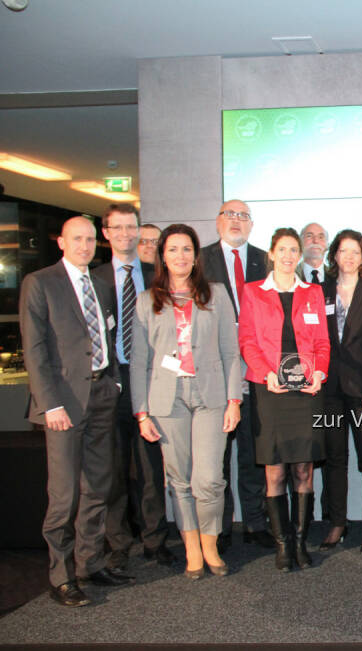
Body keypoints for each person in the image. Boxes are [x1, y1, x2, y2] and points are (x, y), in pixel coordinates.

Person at [20, 216, 129, 607]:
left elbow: (108, 334)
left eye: (89, 240)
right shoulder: (41, 283)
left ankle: (90, 563)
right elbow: (34, 351)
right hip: (63, 404)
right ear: (61, 243)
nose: (84, 246)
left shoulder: (99, 284)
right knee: (64, 495)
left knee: (98, 487)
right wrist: (49, 403)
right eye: (76, 239)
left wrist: (114, 380)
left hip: (101, 394)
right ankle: (61, 575)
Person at [131, 224, 241, 579]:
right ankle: (192, 548)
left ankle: (210, 542)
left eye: (187, 249)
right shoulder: (147, 301)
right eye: (174, 249)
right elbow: (140, 361)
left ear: (197, 256)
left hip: (210, 395)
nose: (181, 256)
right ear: (163, 255)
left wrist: (234, 400)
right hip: (166, 399)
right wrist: (141, 411)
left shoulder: (217, 294)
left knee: (208, 479)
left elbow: (231, 351)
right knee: (178, 480)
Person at [238, 227, 330, 572]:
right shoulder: (252, 293)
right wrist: (266, 373)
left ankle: (302, 542)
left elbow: (322, 341)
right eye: (284, 249)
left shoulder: (313, 293)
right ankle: (282, 544)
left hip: (306, 392)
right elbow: (247, 340)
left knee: (304, 469)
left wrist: (319, 372)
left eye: (295, 250)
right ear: (272, 254)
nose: (290, 255)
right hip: (271, 390)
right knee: (275, 471)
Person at [92, 204, 173, 569]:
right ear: (106, 233)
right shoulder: (92, 279)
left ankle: (155, 540)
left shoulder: (157, 276)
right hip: (108, 382)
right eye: (118, 228)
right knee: (113, 467)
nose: (126, 234)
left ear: (140, 231)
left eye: (131, 227)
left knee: (150, 467)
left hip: (150, 380)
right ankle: (119, 542)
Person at [199, 199, 273, 552]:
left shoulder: (265, 260)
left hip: (259, 369)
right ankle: (223, 524)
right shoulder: (200, 261)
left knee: (252, 450)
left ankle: (257, 522)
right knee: (217, 454)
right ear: (218, 222)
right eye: (230, 214)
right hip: (215, 370)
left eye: (244, 216)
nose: (237, 221)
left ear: (251, 225)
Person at [319, 229, 362, 554]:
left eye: (355, 252)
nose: (349, 257)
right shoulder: (320, 292)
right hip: (328, 390)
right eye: (343, 251)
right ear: (334, 256)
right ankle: (337, 522)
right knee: (335, 458)